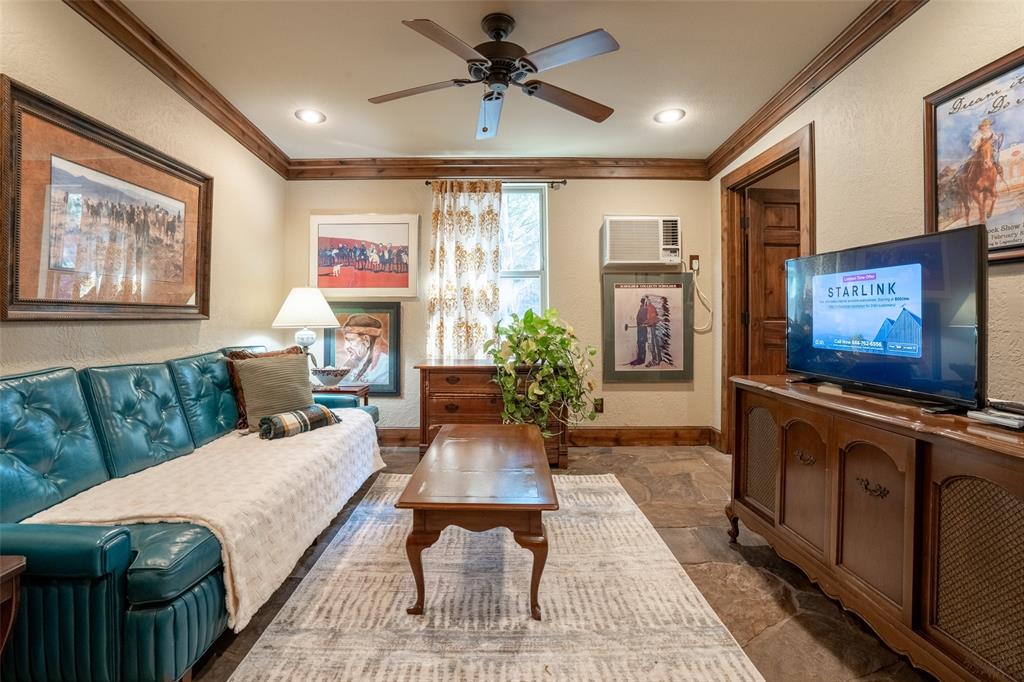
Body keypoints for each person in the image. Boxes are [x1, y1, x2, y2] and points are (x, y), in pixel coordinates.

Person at [339, 313, 390, 385]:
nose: (346, 347)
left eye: (351, 340)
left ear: (366, 341)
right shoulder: (351, 363)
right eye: (346, 340)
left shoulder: (384, 365)